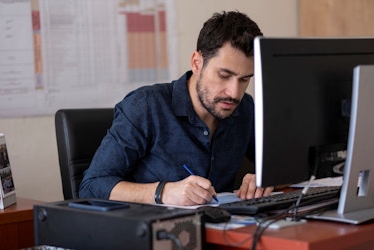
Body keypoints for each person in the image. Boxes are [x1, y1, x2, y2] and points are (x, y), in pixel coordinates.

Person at [79, 10, 274, 206]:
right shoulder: (145, 106)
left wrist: (263, 178)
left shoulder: (245, 108)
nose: (234, 92)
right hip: (152, 230)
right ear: (197, 64)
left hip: (223, 228)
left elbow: (281, 161)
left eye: (244, 79)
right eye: (224, 75)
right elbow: (92, 186)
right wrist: (162, 192)